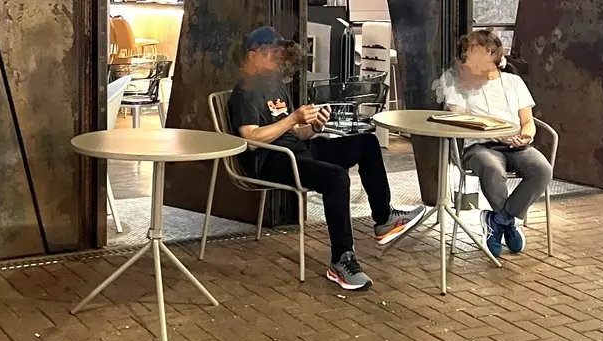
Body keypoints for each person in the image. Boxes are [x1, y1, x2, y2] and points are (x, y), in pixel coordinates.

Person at [228, 27, 423, 291]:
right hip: (269, 160)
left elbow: (297, 132)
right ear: (253, 55)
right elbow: (251, 140)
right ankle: (342, 260)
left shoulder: (276, 87)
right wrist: (292, 119)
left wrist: (314, 126)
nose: (277, 58)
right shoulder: (245, 91)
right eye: (271, 53)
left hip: (297, 151)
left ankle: (384, 218)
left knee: (367, 143)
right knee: (336, 178)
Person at [433, 29, 552, 256]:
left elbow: (528, 121)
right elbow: (459, 120)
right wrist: (496, 134)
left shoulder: (514, 82)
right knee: (492, 169)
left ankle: (499, 220)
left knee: (542, 170)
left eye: (479, 52)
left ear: (493, 54)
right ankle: (508, 222)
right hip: (480, 145)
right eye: (470, 53)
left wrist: (526, 136)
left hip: (516, 144)